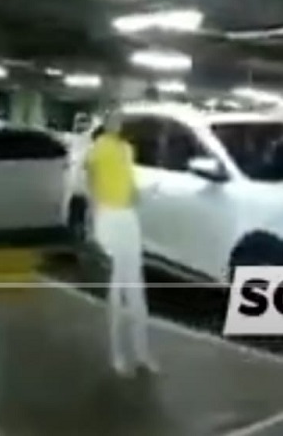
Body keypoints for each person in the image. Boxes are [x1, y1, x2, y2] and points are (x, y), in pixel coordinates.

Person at [85, 110, 158, 376]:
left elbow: (130, 185)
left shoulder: (127, 149)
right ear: (105, 123)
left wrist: (139, 194)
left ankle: (142, 354)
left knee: (136, 288)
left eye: (120, 119)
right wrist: (93, 220)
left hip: (128, 216)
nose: (117, 123)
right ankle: (117, 355)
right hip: (108, 216)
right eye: (113, 119)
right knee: (115, 289)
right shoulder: (97, 148)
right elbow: (91, 182)